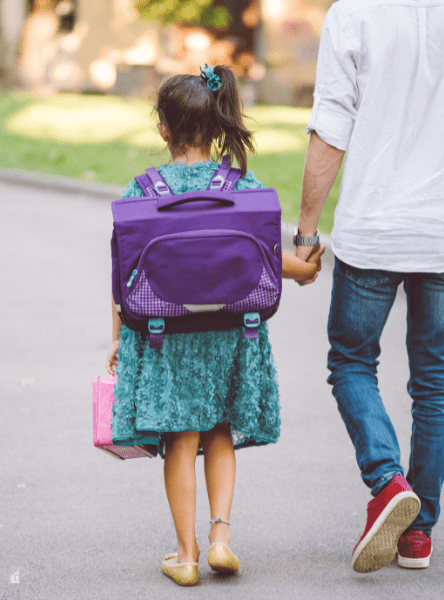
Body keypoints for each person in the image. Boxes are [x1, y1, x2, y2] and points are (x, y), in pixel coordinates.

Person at [294, 0, 444, 573]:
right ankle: (418, 534)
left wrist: (305, 231)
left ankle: (386, 480)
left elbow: (331, 126)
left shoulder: (352, 14)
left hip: (371, 233)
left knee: (351, 361)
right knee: (434, 378)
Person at [106, 65, 324, 587]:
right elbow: (269, 258)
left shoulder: (142, 191)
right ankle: (222, 538)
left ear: (164, 129)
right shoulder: (241, 185)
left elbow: (122, 274)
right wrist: (306, 271)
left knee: (181, 439)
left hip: (166, 333)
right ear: (218, 122)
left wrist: (116, 338)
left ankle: (186, 555)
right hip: (231, 330)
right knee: (220, 428)